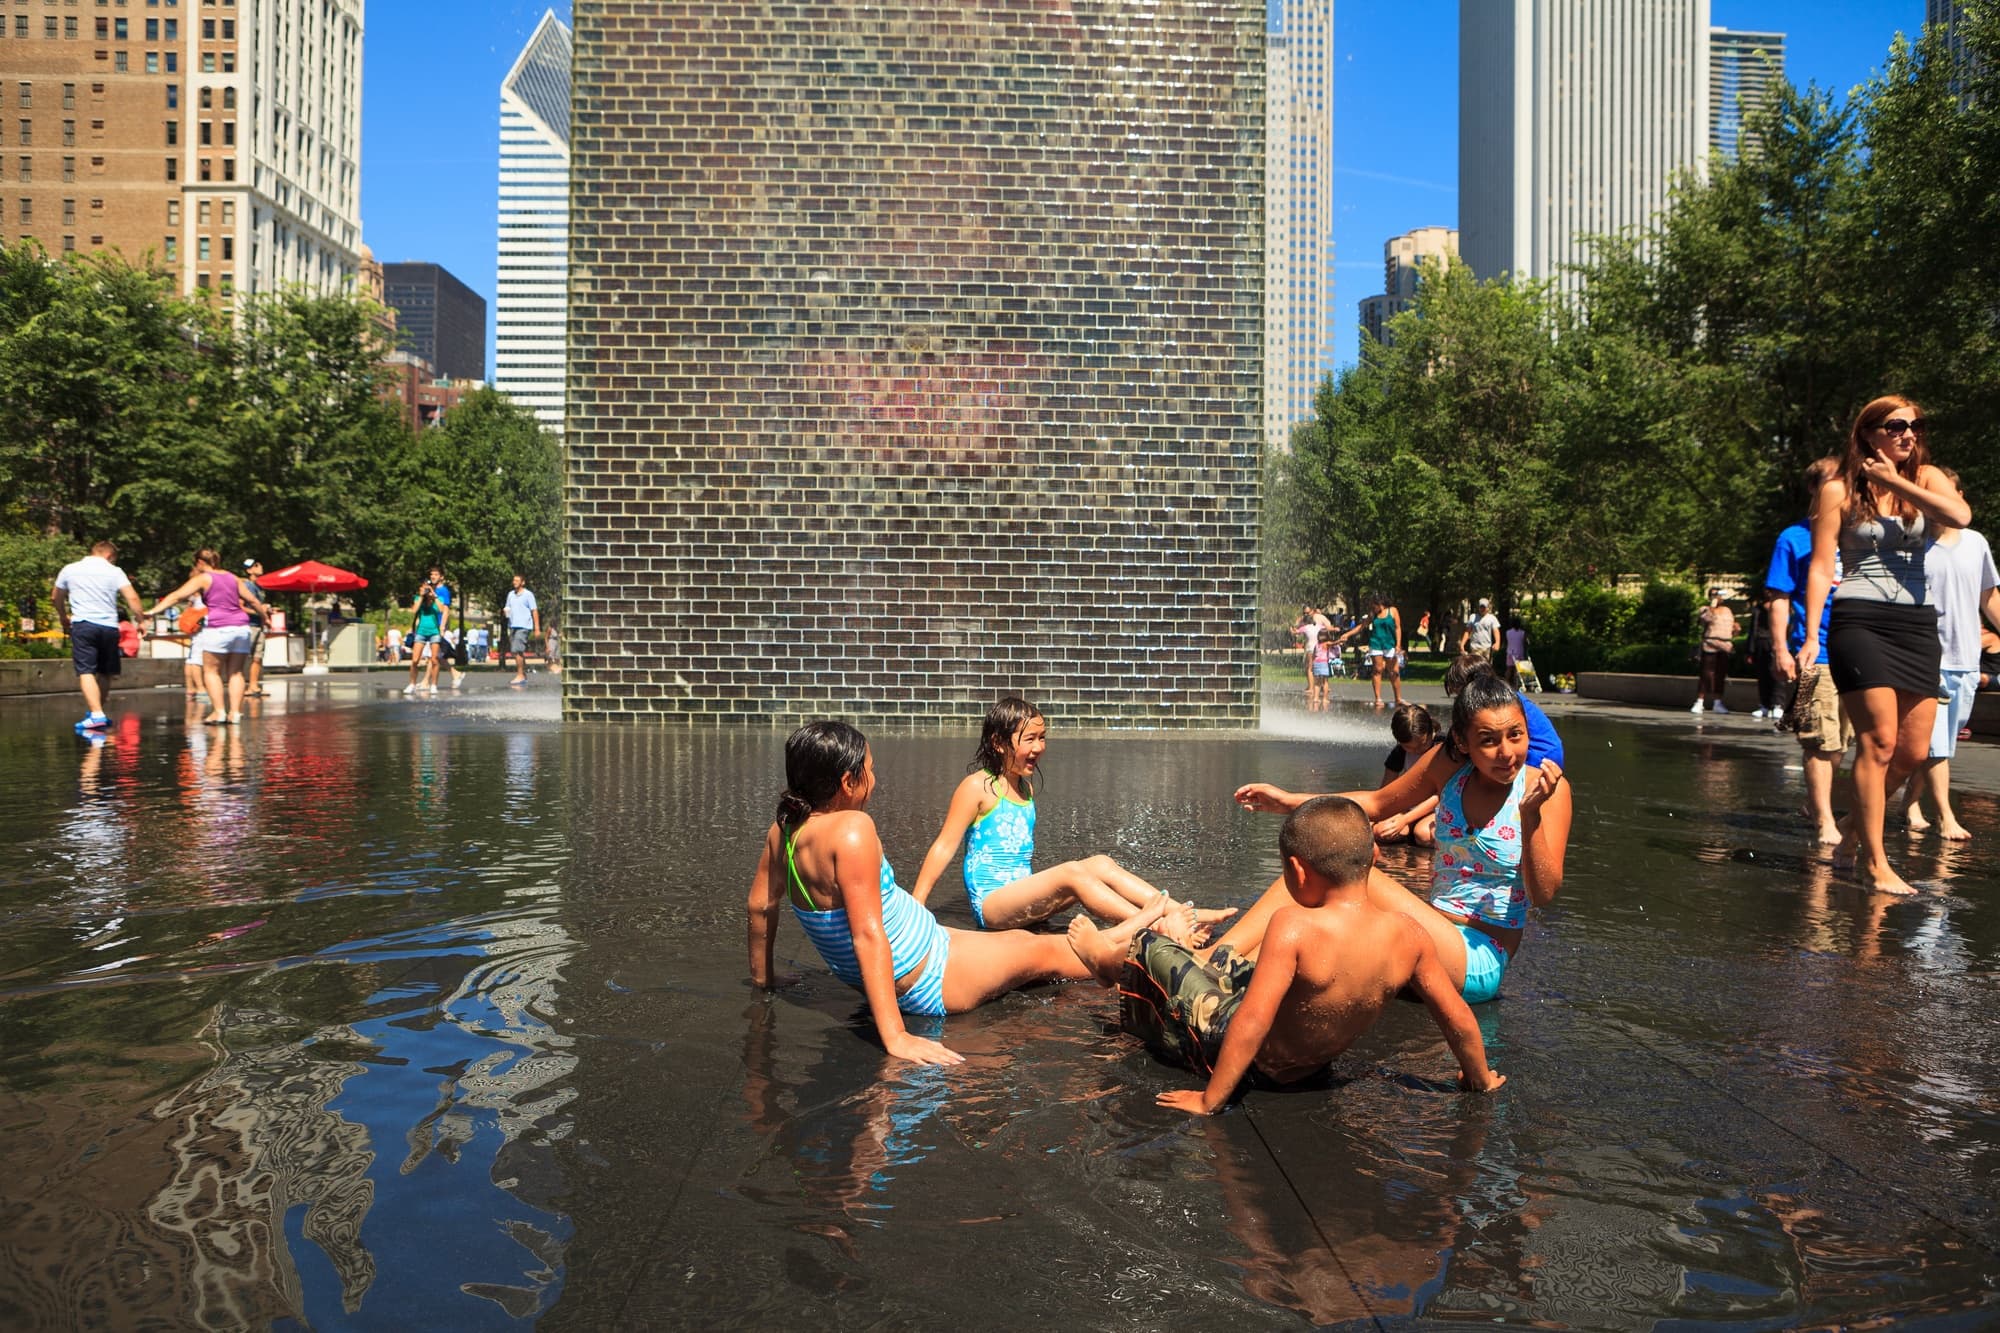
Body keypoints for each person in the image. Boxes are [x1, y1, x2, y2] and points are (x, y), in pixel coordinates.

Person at [747, 720, 1148, 1068]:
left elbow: (761, 905)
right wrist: (896, 1037)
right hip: (933, 974)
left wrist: (764, 977)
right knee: (1048, 954)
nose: (876, 780)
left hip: (929, 945)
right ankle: (1136, 959)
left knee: (1021, 941)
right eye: (870, 772)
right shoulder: (852, 829)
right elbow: (867, 936)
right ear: (847, 783)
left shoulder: (784, 830)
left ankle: (1133, 932)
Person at [1067, 796, 1505, 1113]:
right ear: (1372, 858)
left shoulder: (1293, 926)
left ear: (1297, 870)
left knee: (1152, 947)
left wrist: (1211, 1099)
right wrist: (1479, 1079)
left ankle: (1113, 967)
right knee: (1234, 965)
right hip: (1311, 1068)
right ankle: (1189, 957)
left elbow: (1252, 1021)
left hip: (1245, 1062)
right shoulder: (1409, 934)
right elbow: (1457, 1018)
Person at [1228, 672, 1572, 1005]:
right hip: (1427, 934)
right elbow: (1377, 803)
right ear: (1462, 743)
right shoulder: (1447, 768)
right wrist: (1288, 801)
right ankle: (1219, 965)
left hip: (1478, 960)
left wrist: (1530, 817)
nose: (1507, 752)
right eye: (1488, 740)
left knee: (1348, 877)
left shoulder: (1545, 790)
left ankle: (1215, 965)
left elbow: (1542, 894)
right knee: (1305, 886)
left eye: (1516, 735)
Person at [1798, 395, 1970, 895]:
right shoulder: (1837, 489)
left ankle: (1853, 827)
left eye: (1915, 426)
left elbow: (1959, 515)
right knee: (1878, 741)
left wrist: (1894, 481)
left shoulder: (1925, 478)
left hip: (1918, 622)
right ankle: (1874, 861)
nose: (1908, 434)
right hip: (1861, 619)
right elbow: (1821, 566)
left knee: (1914, 750)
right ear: (1869, 432)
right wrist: (1812, 636)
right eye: (1896, 426)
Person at [910, 697, 1236, 933]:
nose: (1039, 747)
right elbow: (944, 846)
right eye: (1029, 739)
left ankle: (1181, 910)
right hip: (993, 906)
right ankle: (1154, 926)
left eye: (1043, 738)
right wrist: (917, 905)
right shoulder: (978, 786)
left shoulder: (1025, 788)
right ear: (998, 742)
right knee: (1071, 872)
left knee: (1100, 864)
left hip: (1024, 900)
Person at [1899, 474, 1997, 841]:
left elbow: (1989, 597)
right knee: (1936, 743)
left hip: (1966, 658)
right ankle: (1946, 816)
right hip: (1925, 658)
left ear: (1959, 497)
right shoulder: (1911, 544)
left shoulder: (1976, 543)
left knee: (1941, 742)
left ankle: (1910, 801)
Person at [1767, 458, 1852, 845]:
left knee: (1842, 743)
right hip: (1815, 652)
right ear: (1819, 491)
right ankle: (1824, 820)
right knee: (1820, 739)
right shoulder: (1794, 538)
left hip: (1858, 648)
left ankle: (1816, 803)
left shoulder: (1858, 536)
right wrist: (1782, 649)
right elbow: (1780, 598)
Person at [144, 549, 268, 725]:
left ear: (200, 562)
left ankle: (219, 712)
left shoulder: (203, 578)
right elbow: (254, 601)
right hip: (241, 627)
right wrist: (265, 618)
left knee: (211, 671)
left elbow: (177, 596)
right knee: (236, 672)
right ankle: (235, 713)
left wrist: (152, 611)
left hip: (218, 628)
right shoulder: (233, 577)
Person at [51, 540, 147, 731]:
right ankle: (98, 712)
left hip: (84, 625)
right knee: (105, 671)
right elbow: (132, 597)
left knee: (86, 670)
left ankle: (96, 715)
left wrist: (63, 616)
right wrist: (141, 620)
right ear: (109, 555)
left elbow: (56, 596)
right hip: (110, 627)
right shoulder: (115, 571)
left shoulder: (70, 569)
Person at [1445, 653, 1564, 767]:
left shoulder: (1501, 702)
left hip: (1539, 756)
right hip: (1550, 752)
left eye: (1459, 693)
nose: (1459, 701)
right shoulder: (1503, 696)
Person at [1373, 703, 1441, 845]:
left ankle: (1414, 831)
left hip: (1441, 808)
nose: (1416, 750)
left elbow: (1441, 796)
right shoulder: (1399, 753)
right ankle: (1409, 834)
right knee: (1380, 831)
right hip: (1410, 808)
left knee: (1423, 834)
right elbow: (1385, 791)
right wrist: (1374, 818)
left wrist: (1404, 820)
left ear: (1430, 733)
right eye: (1408, 747)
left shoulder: (1444, 748)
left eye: (1422, 744)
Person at [1330, 593, 1405, 708]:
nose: (1372, 608)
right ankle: (1378, 698)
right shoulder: (1373, 615)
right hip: (1376, 644)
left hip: (1389, 644)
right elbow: (1361, 626)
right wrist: (1348, 634)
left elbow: (1398, 627)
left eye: (1374, 606)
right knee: (1377, 670)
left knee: (1394, 671)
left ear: (1380, 604)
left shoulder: (1393, 611)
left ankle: (1398, 698)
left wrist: (1398, 644)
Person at [1691, 589, 1737, 714]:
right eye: (1715, 594)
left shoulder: (1727, 610)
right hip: (1710, 643)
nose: (1718, 597)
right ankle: (1700, 701)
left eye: (1719, 595)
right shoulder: (1705, 609)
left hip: (1725, 644)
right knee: (1706, 673)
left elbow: (1731, 626)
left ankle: (1717, 702)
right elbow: (1705, 620)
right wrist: (1712, 605)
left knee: (1720, 674)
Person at [427, 565, 467, 688]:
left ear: (441, 577)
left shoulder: (443, 591)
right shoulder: (431, 589)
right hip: (431, 625)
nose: (433, 576)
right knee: (434, 656)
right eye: (431, 574)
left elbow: (445, 610)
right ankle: (455, 674)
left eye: (436, 574)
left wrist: (442, 627)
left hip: (438, 626)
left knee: (433, 656)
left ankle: (426, 682)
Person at [403, 578, 446, 694]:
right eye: (423, 587)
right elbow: (414, 610)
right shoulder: (418, 599)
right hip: (421, 632)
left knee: (434, 659)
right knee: (415, 660)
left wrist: (434, 595)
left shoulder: (438, 599)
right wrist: (422, 596)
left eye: (427, 588)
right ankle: (412, 684)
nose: (425, 589)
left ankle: (434, 685)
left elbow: (442, 610)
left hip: (434, 632)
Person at [240, 558, 271, 697]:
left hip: (258, 625)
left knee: (258, 657)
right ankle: (242, 686)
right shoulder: (247, 585)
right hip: (249, 625)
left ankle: (254, 686)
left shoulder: (258, 587)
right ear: (249, 571)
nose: (260, 566)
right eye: (255, 566)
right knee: (245, 657)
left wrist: (266, 612)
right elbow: (240, 607)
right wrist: (260, 612)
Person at [503, 574, 540, 686]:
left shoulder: (528, 595)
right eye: (513, 580)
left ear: (523, 582)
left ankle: (520, 675)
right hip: (512, 625)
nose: (514, 582)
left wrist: (537, 628)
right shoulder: (510, 595)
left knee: (517, 650)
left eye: (517, 580)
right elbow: (507, 608)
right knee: (516, 651)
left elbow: (534, 611)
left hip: (524, 626)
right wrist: (506, 612)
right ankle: (523, 674)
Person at [1460, 597, 1501, 666]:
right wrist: (1462, 644)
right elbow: (1467, 632)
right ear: (1478, 607)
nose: (1482, 609)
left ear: (1488, 607)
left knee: (1486, 668)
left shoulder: (1492, 618)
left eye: (1484, 607)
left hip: (1486, 648)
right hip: (1475, 647)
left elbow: (1496, 631)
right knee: (1475, 667)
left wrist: (1497, 643)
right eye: (1481, 607)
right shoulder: (1473, 617)